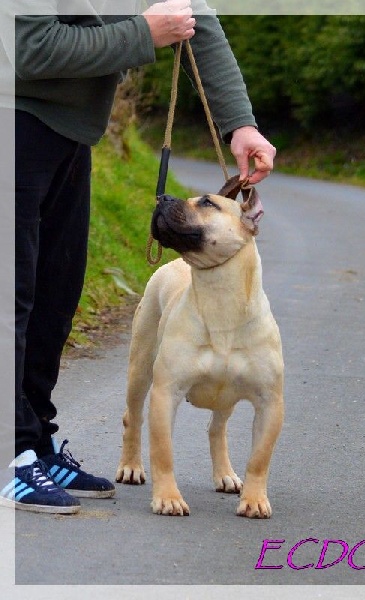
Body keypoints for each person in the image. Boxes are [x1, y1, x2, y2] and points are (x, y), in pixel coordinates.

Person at [0, 0, 276, 514]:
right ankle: (11, 454)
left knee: (55, 297)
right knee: (11, 296)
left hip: (69, 133)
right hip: (10, 115)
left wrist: (240, 124)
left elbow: (197, 17)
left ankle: (35, 441)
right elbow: (28, 47)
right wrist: (143, 33)